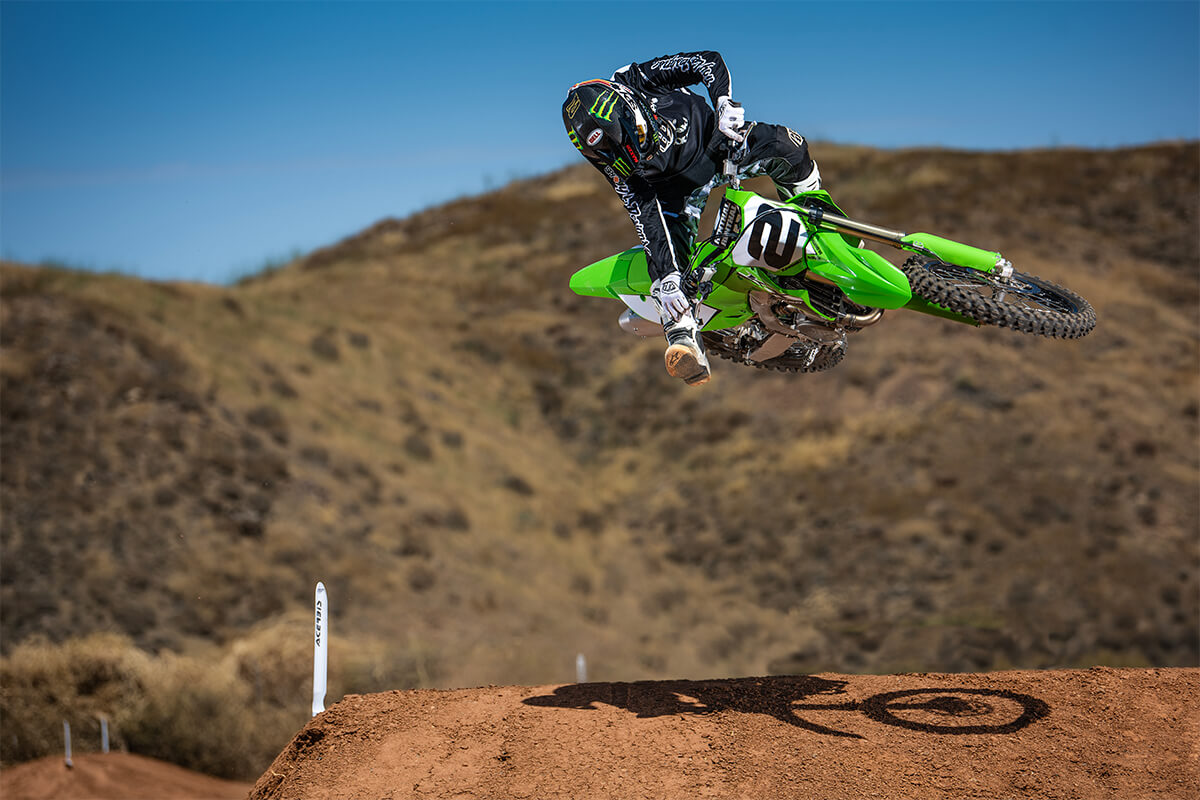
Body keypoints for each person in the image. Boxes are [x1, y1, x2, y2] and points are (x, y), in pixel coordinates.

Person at [562, 51, 821, 386]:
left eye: (636, 140)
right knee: (668, 273)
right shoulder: (610, 161)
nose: (637, 154)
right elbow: (643, 211)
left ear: (629, 105)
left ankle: (821, 219)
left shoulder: (638, 79)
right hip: (675, 192)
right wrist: (668, 276)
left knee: (789, 146)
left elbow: (706, 62)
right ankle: (682, 337)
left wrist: (723, 102)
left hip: (718, 144)